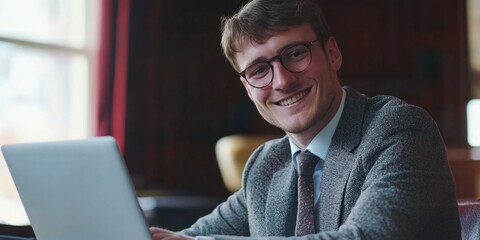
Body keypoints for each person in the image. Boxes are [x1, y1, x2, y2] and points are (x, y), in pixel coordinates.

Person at [150, 0, 462, 239]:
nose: (282, 81)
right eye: (259, 70)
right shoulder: (264, 165)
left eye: (296, 54)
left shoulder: (400, 130)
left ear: (333, 54)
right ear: (248, 88)